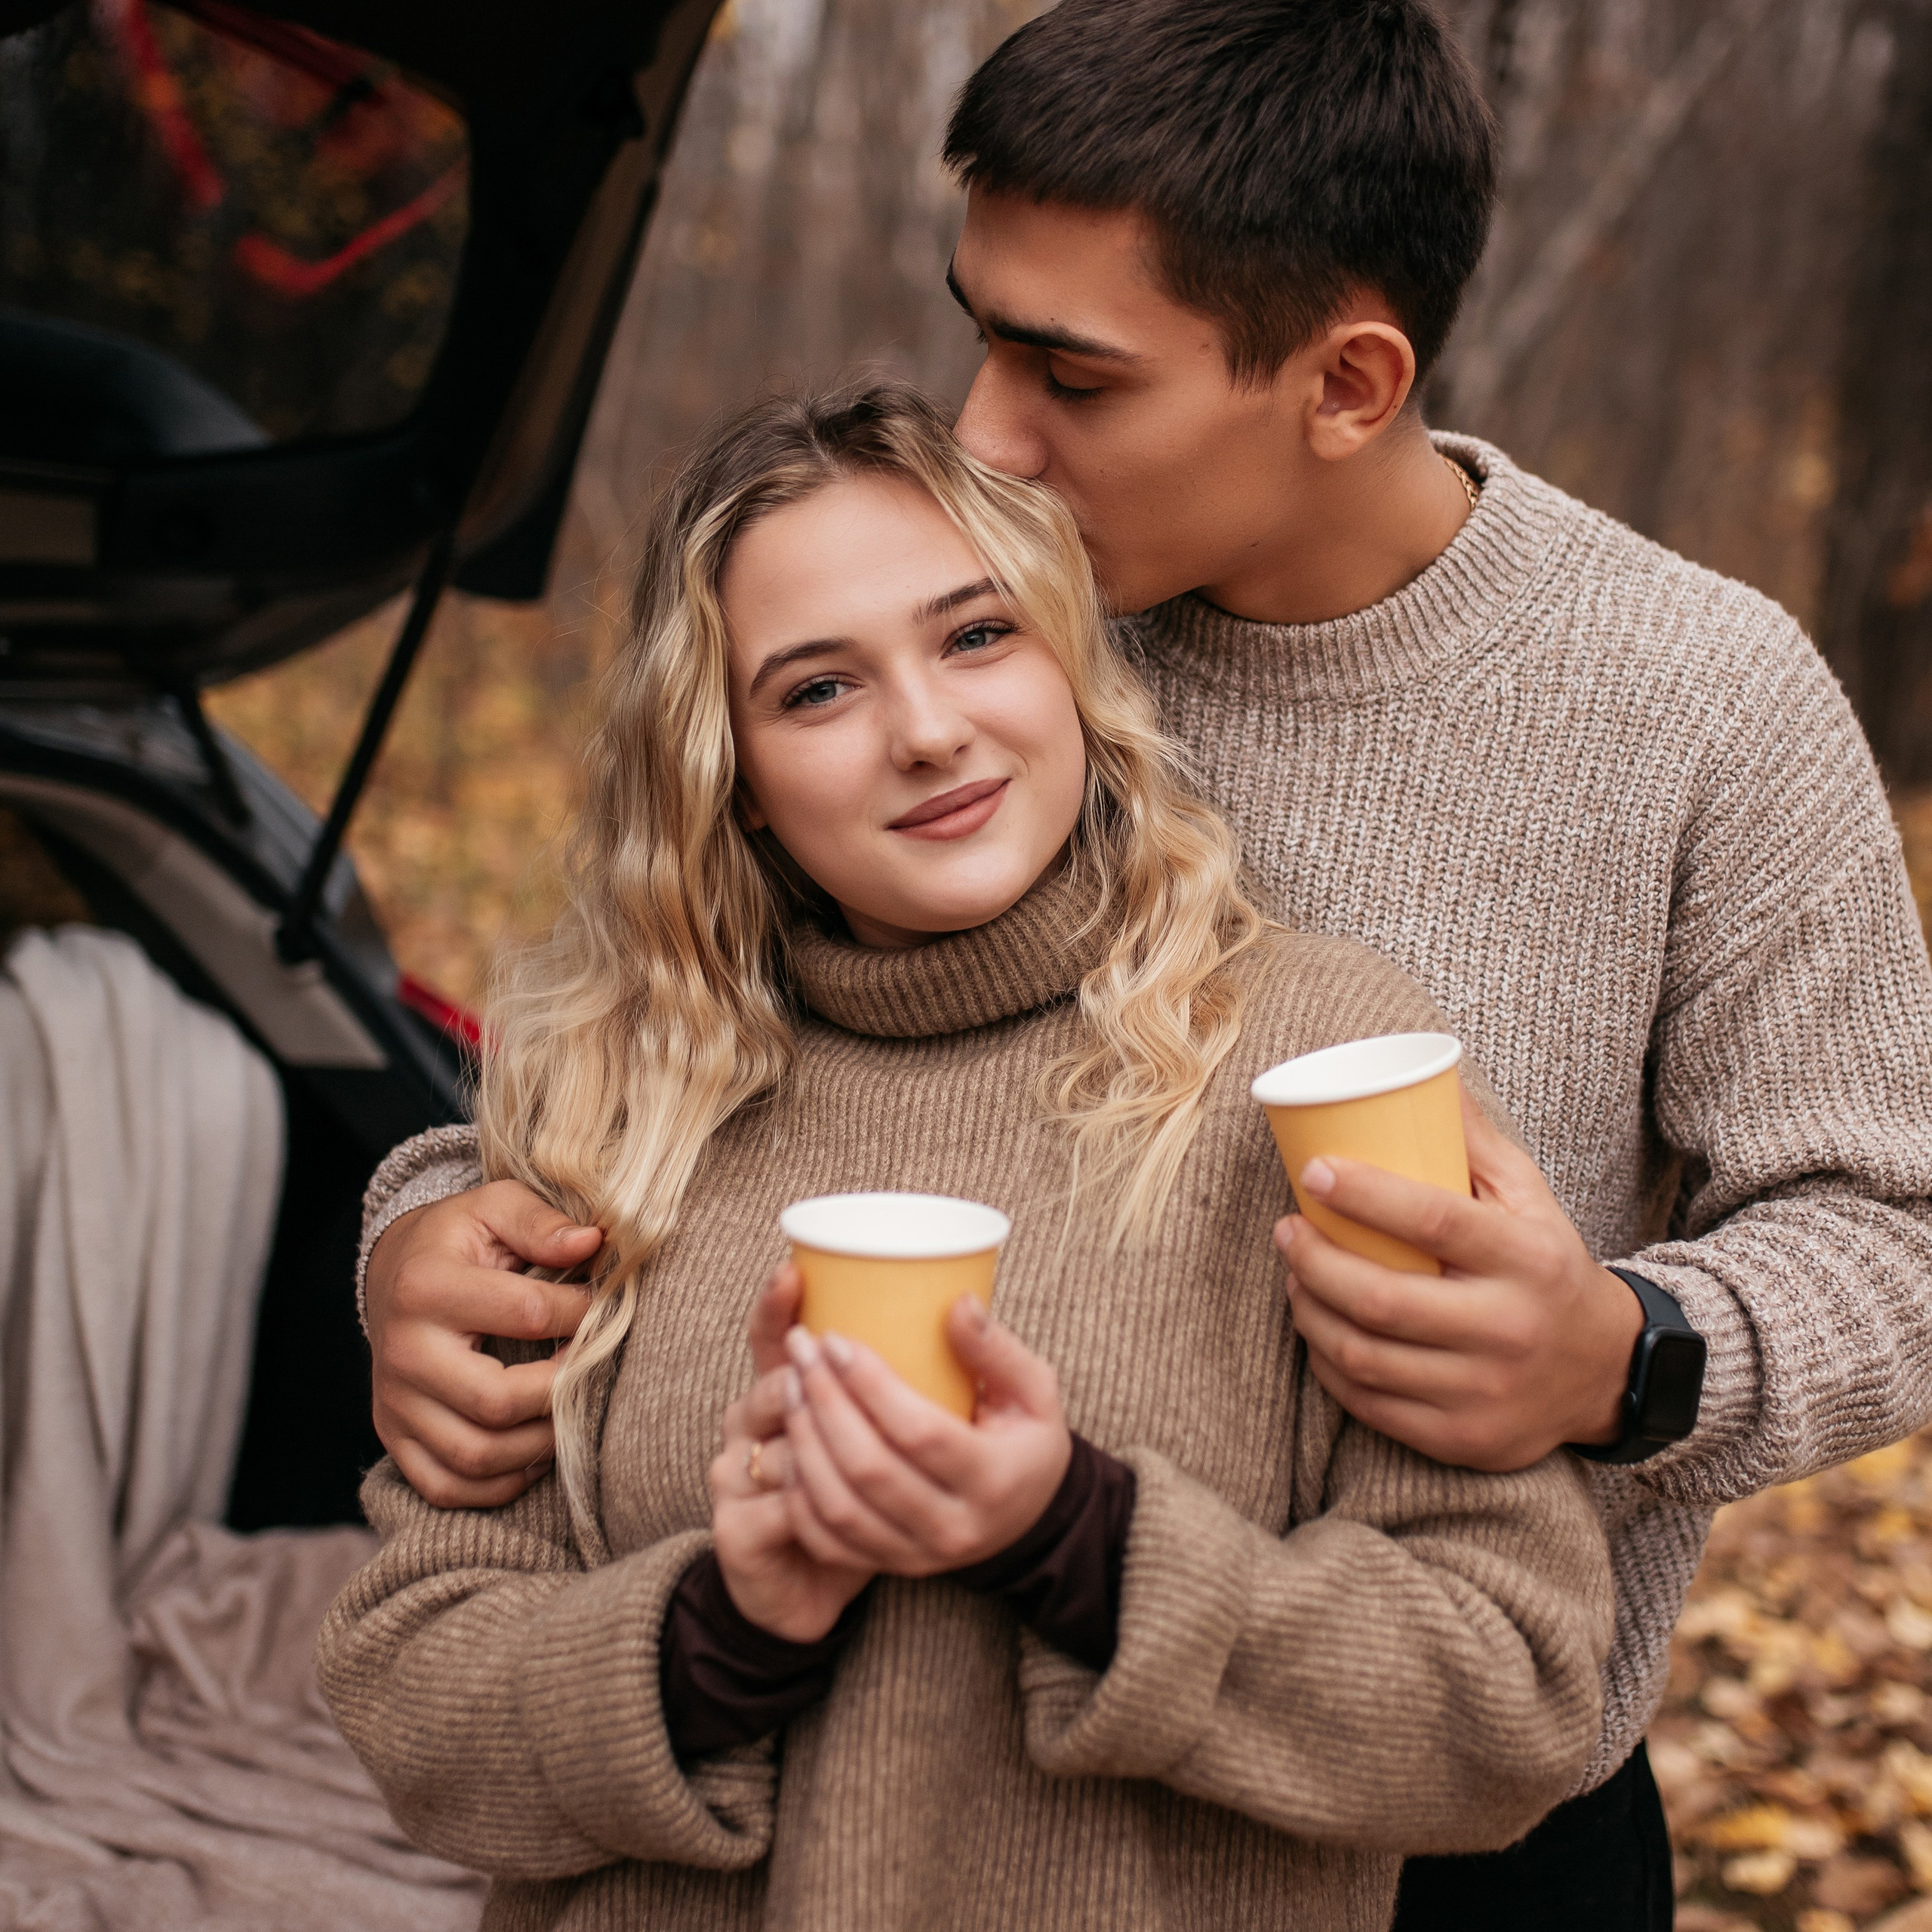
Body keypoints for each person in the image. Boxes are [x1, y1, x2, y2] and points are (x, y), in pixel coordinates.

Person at [353, 4, 1932, 1927]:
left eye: (1069, 376)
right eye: (977, 329)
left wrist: (1626, 1355)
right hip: (892, 1795)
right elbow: (675, 995)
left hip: (1456, 1794)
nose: (983, 429)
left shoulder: (1698, 698)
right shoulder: (978, 629)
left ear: (1344, 384)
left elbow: (1895, 1224)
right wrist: (424, 1226)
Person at [316, 383, 1613, 1931]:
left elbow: (1502, 1694)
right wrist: (721, 1634)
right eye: (816, 689)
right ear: (731, 773)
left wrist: (1076, 1536)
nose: (928, 731)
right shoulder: (612, 1103)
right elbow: (411, 1692)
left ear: (1072, 659)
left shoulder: (1317, 1062)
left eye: (977, 634)